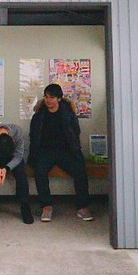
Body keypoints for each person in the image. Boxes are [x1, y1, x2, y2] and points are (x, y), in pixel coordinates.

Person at [28, 83, 93, 222]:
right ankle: (46, 206)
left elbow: (75, 132)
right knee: (39, 171)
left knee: (80, 170)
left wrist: (74, 149)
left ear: (58, 98)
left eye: (51, 97)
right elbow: (33, 135)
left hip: (66, 151)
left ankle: (82, 207)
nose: (48, 100)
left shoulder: (68, 114)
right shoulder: (39, 115)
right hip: (45, 151)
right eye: (46, 97)